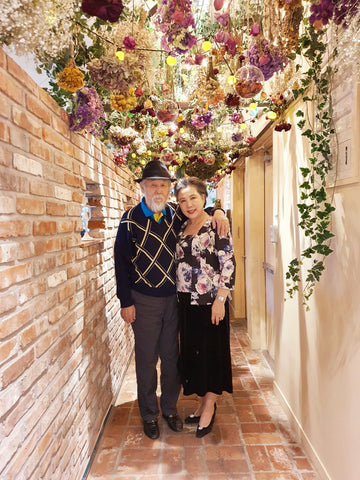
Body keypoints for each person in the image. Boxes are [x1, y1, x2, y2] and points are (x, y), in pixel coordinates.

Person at [114, 160, 229, 440]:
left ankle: (169, 409)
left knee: (171, 358)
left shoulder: (174, 215)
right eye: (152, 184)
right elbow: (120, 263)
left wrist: (219, 211)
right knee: (145, 359)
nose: (158, 190)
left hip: (174, 299)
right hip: (143, 300)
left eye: (163, 185)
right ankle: (149, 414)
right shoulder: (129, 220)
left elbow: (197, 211)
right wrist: (125, 301)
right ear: (142, 187)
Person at [174, 176, 236, 438]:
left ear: (203, 198)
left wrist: (221, 300)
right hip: (186, 302)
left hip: (211, 302)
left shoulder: (215, 226)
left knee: (210, 354)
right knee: (194, 354)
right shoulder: (181, 227)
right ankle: (202, 401)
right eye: (182, 200)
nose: (188, 204)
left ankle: (210, 404)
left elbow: (229, 264)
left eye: (193, 198)